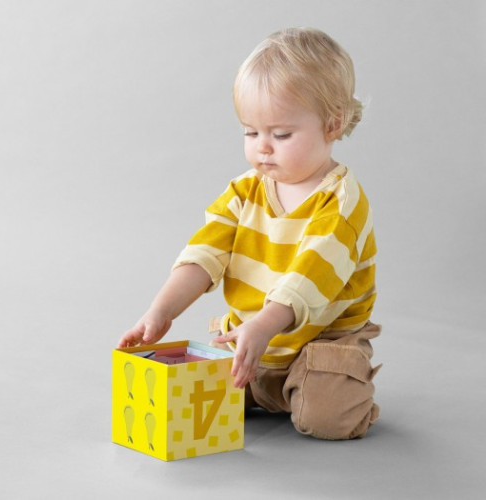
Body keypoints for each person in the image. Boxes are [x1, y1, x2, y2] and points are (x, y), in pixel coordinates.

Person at [118, 27, 381, 440]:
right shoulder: (244, 191)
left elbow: (307, 281)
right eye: (250, 132)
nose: (263, 147)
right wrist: (161, 311)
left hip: (319, 340)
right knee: (192, 403)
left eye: (281, 134)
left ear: (332, 124)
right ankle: (264, 388)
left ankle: (326, 387)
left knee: (327, 419)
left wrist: (263, 327)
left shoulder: (340, 201)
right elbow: (203, 255)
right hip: (248, 337)